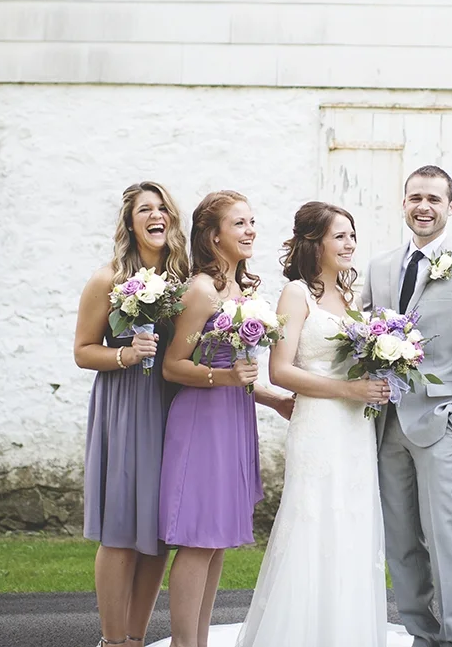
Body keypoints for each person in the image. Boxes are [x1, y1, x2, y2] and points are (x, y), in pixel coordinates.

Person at [233, 200, 413, 646]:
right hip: (318, 426)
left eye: (352, 235)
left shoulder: (352, 297)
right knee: (316, 522)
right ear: (315, 243)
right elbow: (280, 371)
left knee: (352, 523)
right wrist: (350, 390)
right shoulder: (297, 294)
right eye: (339, 236)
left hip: (355, 429)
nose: (349, 244)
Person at [362, 165, 452, 647]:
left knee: (446, 536)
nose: (423, 207)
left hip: (441, 423)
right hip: (387, 423)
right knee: (401, 539)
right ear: (404, 203)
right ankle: (421, 634)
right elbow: (363, 336)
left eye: (434, 199)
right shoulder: (381, 266)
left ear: (451, 206)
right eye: (415, 198)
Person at [157, 191, 293, 647]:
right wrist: (225, 377)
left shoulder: (242, 290)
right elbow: (173, 366)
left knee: (216, 542)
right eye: (239, 223)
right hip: (202, 422)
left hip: (234, 418)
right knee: (198, 538)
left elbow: (241, 374)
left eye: (252, 221)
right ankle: (183, 643)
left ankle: (198, 641)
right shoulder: (202, 290)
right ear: (213, 235)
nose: (250, 230)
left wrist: (272, 399)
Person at [74, 181, 189, 647]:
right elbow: (83, 351)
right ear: (130, 222)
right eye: (145, 209)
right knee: (121, 529)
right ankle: (112, 641)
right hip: (124, 405)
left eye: (162, 208)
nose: (155, 215)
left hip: (171, 405)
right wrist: (125, 354)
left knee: (157, 532)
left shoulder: (184, 279)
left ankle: (136, 639)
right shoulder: (107, 280)